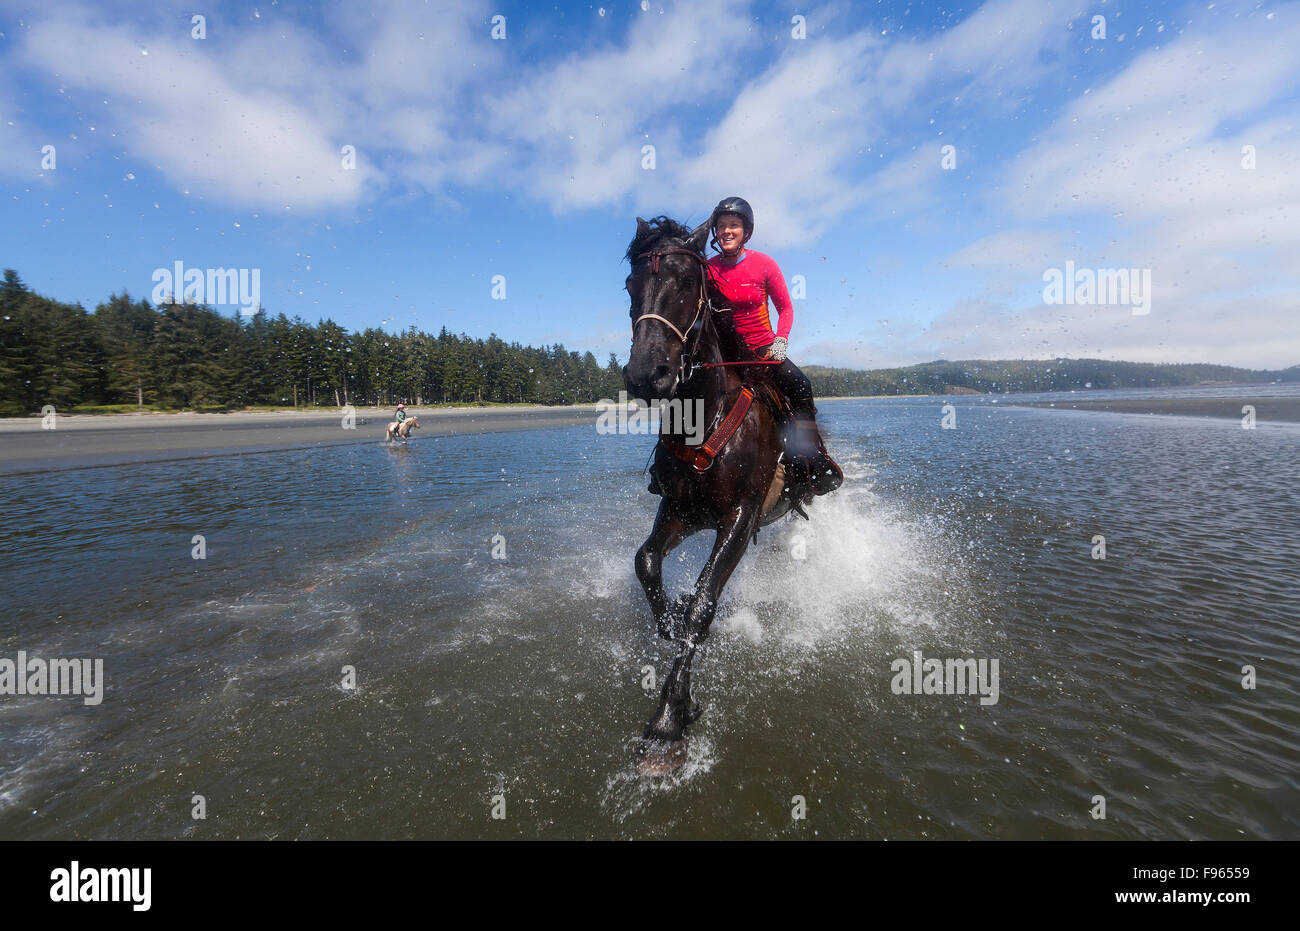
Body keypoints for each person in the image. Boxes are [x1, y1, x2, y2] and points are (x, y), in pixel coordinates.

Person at [702, 196, 842, 495]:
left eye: (734, 226)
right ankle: (668, 467)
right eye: (722, 226)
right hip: (724, 359)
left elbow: (786, 308)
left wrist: (781, 341)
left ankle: (810, 460)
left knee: (801, 386)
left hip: (763, 353)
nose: (727, 231)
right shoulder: (708, 270)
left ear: (746, 232)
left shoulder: (764, 264)